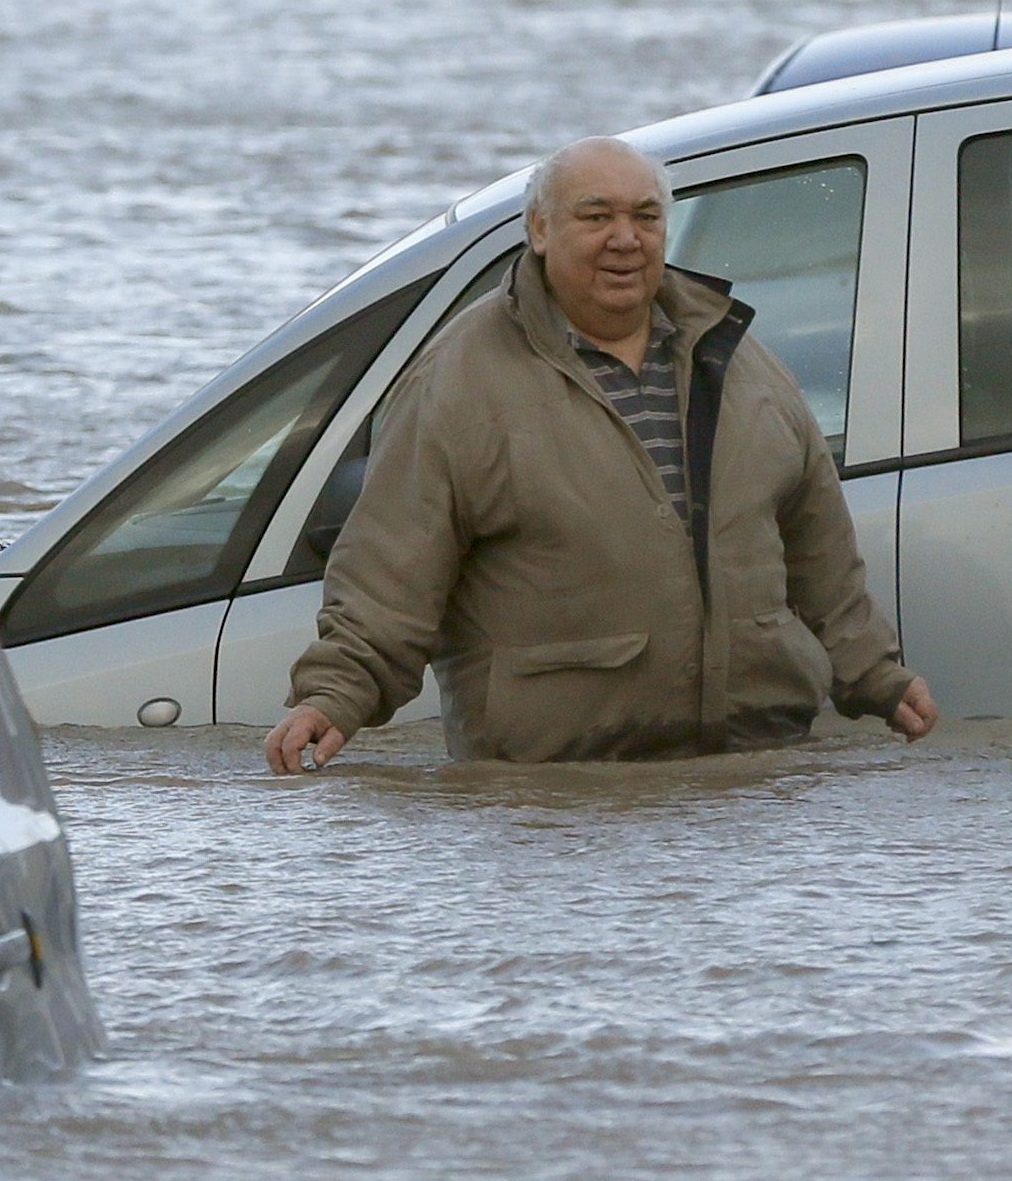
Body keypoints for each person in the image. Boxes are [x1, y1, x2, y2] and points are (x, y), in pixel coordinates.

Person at [264, 136, 936, 773]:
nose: (625, 238)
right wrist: (335, 696)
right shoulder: (458, 381)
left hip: (752, 774)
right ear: (539, 230)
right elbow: (391, 569)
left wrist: (875, 675)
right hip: (556, 790)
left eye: (646, 215)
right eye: (596, 216)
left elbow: (819, 552)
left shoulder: (735, 358)